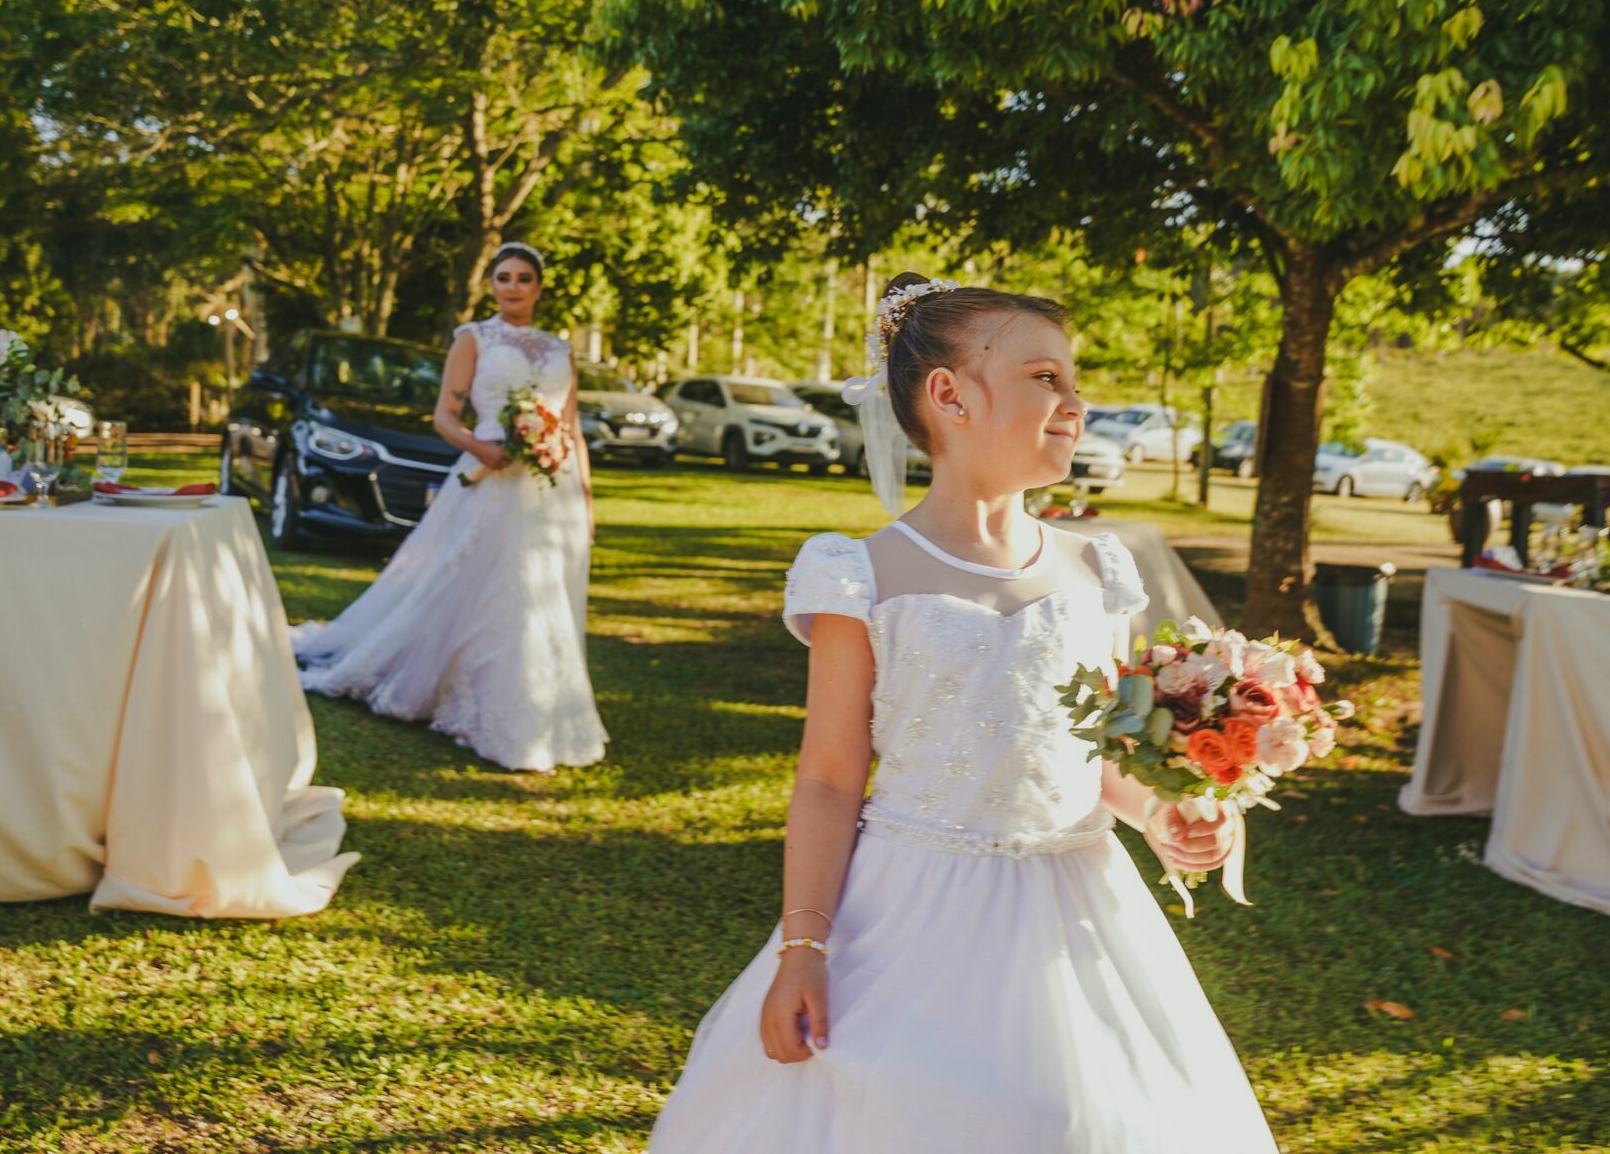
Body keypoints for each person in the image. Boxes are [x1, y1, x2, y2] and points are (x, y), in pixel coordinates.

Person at [647, 273, 1276, 1152]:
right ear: (950, 395)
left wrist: (1165, 813)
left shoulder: (1099, 571)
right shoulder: (859, 576)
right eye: (1045, 377)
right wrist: (804, 951)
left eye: (1073, 381)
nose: (1076, 402)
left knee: (1077, 1121)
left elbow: (1099, 760)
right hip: (910, 909)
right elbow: (829, 780)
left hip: (1076, 910)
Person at [291, 243, 607, 772]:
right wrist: (482, 447)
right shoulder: (473, 338)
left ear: (539, 287)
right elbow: (445, 416)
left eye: (523, 278)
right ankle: (474, 698)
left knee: (540, 594)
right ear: (491, 286)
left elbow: (570, 428)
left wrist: (586, 501)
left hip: (552, 490)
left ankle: (540, 704)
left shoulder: (559, 348)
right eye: (502, 277)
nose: (512, 287)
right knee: (481, 585)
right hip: (488, 480)